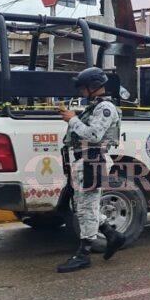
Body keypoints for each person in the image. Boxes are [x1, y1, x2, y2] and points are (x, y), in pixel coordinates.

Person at [57, 67, 126, 273]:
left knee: (86, 208)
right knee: (84, 206)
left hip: (93, 160)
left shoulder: (105, 108)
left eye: (82, 87)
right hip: (86, 160)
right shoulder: (95, 106)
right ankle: (112, 235)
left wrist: (72, 119)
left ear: (94, 86)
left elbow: (94, 135)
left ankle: (84, 254)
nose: (80, 91)